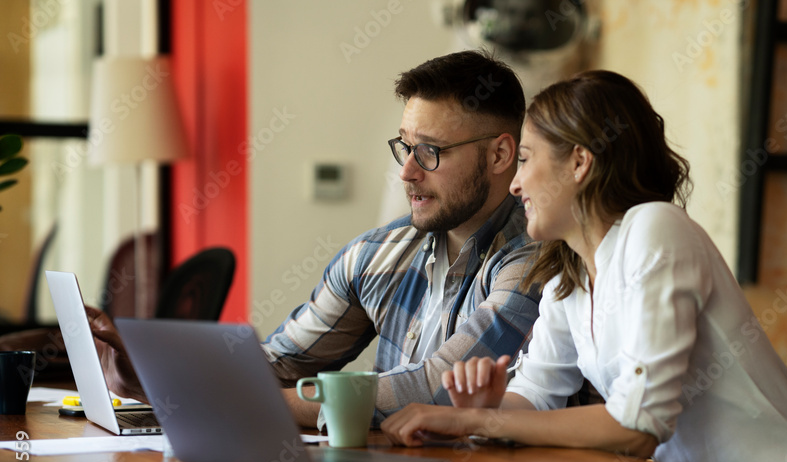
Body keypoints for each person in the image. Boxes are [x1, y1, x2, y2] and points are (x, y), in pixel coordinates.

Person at [382, 70, 787, 462]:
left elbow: (637, 427)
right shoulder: (565, 279)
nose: (515, 184)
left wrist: (471, 423)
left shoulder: (655, 229)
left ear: (579, 162)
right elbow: (535, 397)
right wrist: (486, 408)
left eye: (526, 159)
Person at [89, 50, 542, 429]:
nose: (406, 171)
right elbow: (282, 364)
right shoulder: (375, 255)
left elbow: (435, 388)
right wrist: (159, 369)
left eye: (430, 151)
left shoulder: (536, 260)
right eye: (405, 147)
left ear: (500, 154)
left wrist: (237, 400)